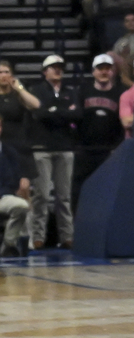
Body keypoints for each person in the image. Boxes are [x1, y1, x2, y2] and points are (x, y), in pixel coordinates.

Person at [28, 55, 79, 250]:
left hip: (65, 147)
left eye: (60, 67)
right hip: (42, 148)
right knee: (41, 194)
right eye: (53, 67)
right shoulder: (37, 90)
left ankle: (67, 236)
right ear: (44, 71)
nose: (57, 70)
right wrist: (62, 112)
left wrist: (53, 111)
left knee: (64, 196)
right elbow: (39, 113)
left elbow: (77, 114)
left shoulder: (70, 91)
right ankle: (38, 237)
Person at [74, 54, 124, 204]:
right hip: (85, 149)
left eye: (107, 69)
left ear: (112, 71)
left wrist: (117, 147)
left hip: (109, 150)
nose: (104, 72)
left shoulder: (120, 93)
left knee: (107, 189)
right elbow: (75, 118)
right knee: (79, 188)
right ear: (93, 71)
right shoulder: (83, 91)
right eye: (100, 69)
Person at [0, 114, 30, 258]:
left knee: (22, 205)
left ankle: (9, 245)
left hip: (3, 196)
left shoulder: (9, 152)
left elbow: (14, 180)